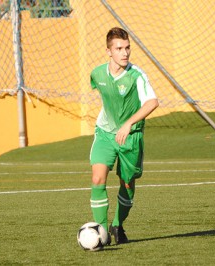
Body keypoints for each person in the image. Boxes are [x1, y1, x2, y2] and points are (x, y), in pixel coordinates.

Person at [89, 27, 159, 245]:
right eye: (119, 48)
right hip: (105, 133)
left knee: (127, 184)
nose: (125, 53)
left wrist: (128, 123)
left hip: (131, 137)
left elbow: (152, 102)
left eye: (127, 48)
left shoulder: (137, 76)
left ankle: (117, 225)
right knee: (97, 178)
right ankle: (101, 232)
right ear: (109, 51)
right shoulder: (97, 73)